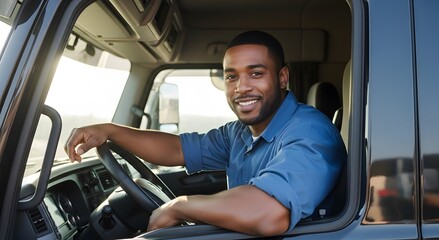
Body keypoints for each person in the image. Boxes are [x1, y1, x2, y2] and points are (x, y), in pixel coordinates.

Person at [65, 30, 347, 236]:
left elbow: (269, 213)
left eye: (256, 74)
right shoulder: (240, 133)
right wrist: (110, 131)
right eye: (232, 76)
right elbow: (176, 149)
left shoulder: (311, 132)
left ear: (282, 77)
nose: (241, 88)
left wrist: (180, 207)